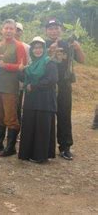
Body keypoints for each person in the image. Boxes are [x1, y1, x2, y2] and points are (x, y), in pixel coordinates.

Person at [0, 19, 27, 157]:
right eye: (6, 28)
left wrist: (6, 65)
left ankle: (11, 147)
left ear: (15, 31)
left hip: (10, 87)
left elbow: (23, 66)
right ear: (1, 30)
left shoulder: (19, 46)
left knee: (11, 118)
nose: (8, 31)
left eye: (11, 29)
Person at [45, 18, 85, 160]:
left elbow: (82, 60)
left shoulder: (68, 44)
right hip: (47, 86)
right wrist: (49, 52)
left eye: (56, 28)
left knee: (64, 116)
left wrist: (78, 47)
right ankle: (46, 147)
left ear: (61, 29)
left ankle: (65, 147)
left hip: (64, 85)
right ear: (46, 31)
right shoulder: (42, 45)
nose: (53, 31)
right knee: (47, 116)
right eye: (50, 28)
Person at [18, 37, 58, 163]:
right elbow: (23, 79)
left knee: (42, 127)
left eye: (40, 47)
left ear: (44, 49)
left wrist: (34, 86)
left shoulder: (49, 62)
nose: (37, 50)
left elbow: (52, 80)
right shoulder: (30, 65)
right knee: (29, 126)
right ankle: (27, 153)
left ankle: (40, 156)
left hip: (44, 101)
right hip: (31, 100)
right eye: (35, 48)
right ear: (32, 50)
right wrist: (21, 71)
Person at [15, 22, 30, 126]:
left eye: (18, 30)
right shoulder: (4, 45)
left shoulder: (27, 47)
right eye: (14, 29)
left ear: (22, 32)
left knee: (19, 106)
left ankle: (18, 131)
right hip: (8, 82)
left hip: (20, 82)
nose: (16, 32)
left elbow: (29, 64)